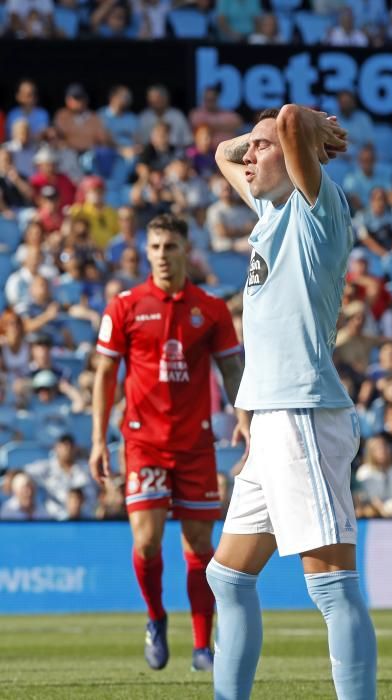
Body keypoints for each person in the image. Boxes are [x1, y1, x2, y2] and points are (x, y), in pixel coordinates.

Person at [207, 106, 377, 699]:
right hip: (271, 422)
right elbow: (222, 153)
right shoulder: (270, 211)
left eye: (263, 148)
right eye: (251, 149)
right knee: (226, 576)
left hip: (302, 414)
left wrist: (299, 127)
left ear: (293, 151)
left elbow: (286, 117)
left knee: (332, 586)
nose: (247, 157)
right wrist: (257, 141)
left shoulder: (316, 209)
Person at [90, 213, 245, 673]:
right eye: (154, 247)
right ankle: (156, 616)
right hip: (143, 443)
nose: (161, 256)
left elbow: (232, 370)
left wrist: (245, 417)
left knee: (200, 544)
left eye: (170, 247)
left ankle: (201, 645)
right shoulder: (125, 306)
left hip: (195, 444)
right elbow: (104, 374)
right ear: (146, 252)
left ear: (185, 251)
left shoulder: (211, 308)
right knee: (148, 540)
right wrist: (99, 439)